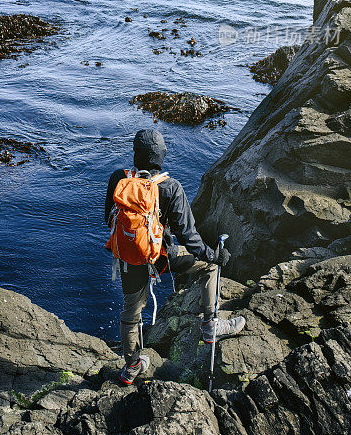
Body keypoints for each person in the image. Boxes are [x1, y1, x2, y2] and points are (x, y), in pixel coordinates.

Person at [105, 128, 246, 385]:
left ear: (136, 154)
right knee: (209, 268)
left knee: (131, 313)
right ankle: (210, 325)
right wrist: (215, 256)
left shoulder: (118, 179)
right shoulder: (171, 187)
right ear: (161, 155)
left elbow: (108, 219)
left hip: (129, 259)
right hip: (161, 259)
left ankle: (132, 366)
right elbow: (190, 239)